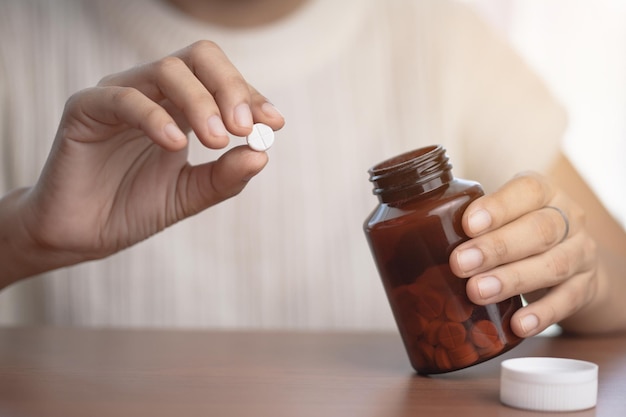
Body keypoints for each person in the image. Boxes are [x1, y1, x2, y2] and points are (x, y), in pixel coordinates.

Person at [0, 0, 624, 337]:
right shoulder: (18, 35)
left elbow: (617, 286)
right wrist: (24, 237)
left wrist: (577, 265)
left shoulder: (439, 33)